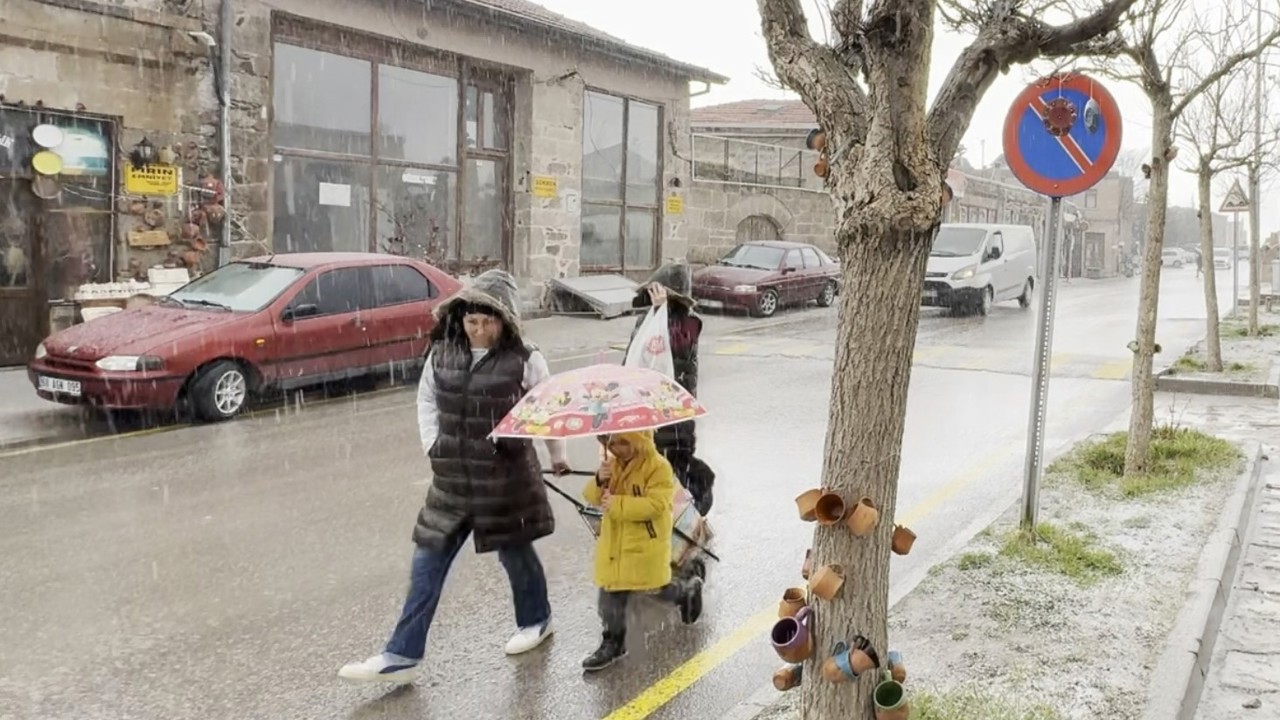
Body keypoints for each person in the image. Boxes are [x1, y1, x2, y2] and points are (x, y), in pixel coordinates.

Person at [339, 270, 569, 685]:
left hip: (506, 481)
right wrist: (433, 445)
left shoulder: (527, 358)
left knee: (515, 555)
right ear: (460, 318)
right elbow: (426, 399)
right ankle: (402, 653)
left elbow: (546, 410)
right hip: (451, 480)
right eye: (471, 321)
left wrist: (557, 454)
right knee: (427, 560)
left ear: (505, 321)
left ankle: (537, 619)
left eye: (488, 322)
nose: (478, 330)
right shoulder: (442, 353)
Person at [581, 431, 704, 672]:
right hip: (615, 544)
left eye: (623, 443)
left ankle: (686, 592)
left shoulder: (658, 467)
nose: (616, 448)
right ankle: (613, 642)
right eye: (612, 443)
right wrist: (598, 479)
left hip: (645, 543)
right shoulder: (611, 465)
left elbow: (656, 505)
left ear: (639, 440)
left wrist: (618, 504)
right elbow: (593, 498)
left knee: (655, 590)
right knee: (610, 593)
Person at [626, 263, 715, 517]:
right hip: (647, 409)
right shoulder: (648, 321)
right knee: (651, 464)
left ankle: (695, 504)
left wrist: (661, 310)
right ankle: (663, 513)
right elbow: (636, 356)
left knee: (675, 461)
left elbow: (674, 346)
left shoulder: (688, 323)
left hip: (675, 412)